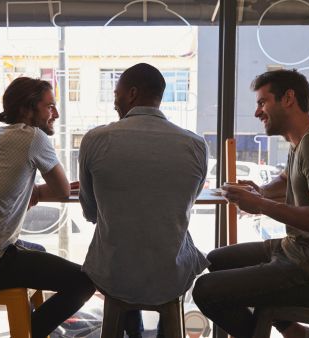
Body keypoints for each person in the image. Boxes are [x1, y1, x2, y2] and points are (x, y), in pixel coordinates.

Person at [192, 70, 309, 338]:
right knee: (217, 260)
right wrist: (259, 191)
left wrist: (261, 204)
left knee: (206, 290)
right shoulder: (300, 142)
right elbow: (287, 181)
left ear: (288, 98)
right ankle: (296, 333)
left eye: (262, 102)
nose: (257, 113)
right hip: (298, 251)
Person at [0, 77, 95, 338]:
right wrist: (61, 188)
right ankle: (28, 333)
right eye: (49, 106)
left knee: (38, 250)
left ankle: (29, 328)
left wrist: (42, 189)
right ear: (27, 109)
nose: (55, 113)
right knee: (82, 282)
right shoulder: (34, 137)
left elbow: (28, 184)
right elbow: (62, 190)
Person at [78, 63, 210, 337]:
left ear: (132, 94)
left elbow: (91, 211)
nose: (114, 101)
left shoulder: (95, 140)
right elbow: (186, 203)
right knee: (171, 245)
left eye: (117, 93)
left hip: (115, 271)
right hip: (169, 273)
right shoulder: (196, 145)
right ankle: (167, 329)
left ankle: (132, 331)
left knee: (122, 247)